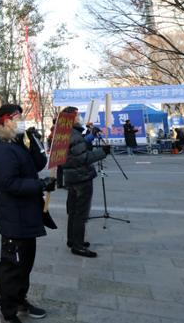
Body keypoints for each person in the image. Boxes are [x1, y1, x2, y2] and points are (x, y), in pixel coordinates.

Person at [0, 104, 55, 323]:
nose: (22, 121)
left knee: (25, 265)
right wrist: (40, 185)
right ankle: (8, 311)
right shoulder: (3, 149)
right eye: (17, 118)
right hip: (14, 219)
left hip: (27, 216)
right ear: (6, 121)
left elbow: (39, 163)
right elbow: (8, 183)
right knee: (12, 269)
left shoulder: (17, 143)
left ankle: (20, 299)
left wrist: (34, 140)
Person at [61, 107, 110, 258]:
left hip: (72, 177)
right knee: (80, 213)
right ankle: (78, 245)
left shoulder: (65, 133)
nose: (80, 118)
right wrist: (103, 152)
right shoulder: (73, 134)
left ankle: (72, 239)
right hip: (81, 177)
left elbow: (77, 148)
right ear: (72, 118)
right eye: (78, 116)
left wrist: (90, 136)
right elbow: (83, 158)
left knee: (73, 211)